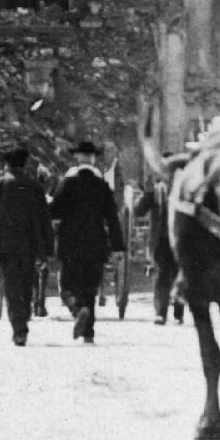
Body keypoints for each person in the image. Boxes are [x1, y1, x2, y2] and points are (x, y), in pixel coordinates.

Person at [0, 144, 55, 347]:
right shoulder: (35, 186)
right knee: (27, 282)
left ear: (6, 164)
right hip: (29, 243)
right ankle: (24, 316)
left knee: (10, 285)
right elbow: (45, 219)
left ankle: (19, 328)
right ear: (24, 163)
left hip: (6, 243)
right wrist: (48, 248)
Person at [48, 138, 126, 343]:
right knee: (90, 288)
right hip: (96, 243)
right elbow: (112, 217)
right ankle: (88, 332)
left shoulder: (68, 182)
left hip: (70, 243)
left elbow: (54, 211)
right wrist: (118, 247)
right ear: (92, 159)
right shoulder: (101, 185)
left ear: (78, 158)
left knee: (67, 286)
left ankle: (77, 310)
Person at [128, 176, 173, 324]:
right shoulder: (155, 191)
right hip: (161, 239)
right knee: (161, 274)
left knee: (179, 274)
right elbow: (138, 210)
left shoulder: (183, 187)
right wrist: (146, 194)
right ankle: (161, 313)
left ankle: (179, 311)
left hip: (180, 239)